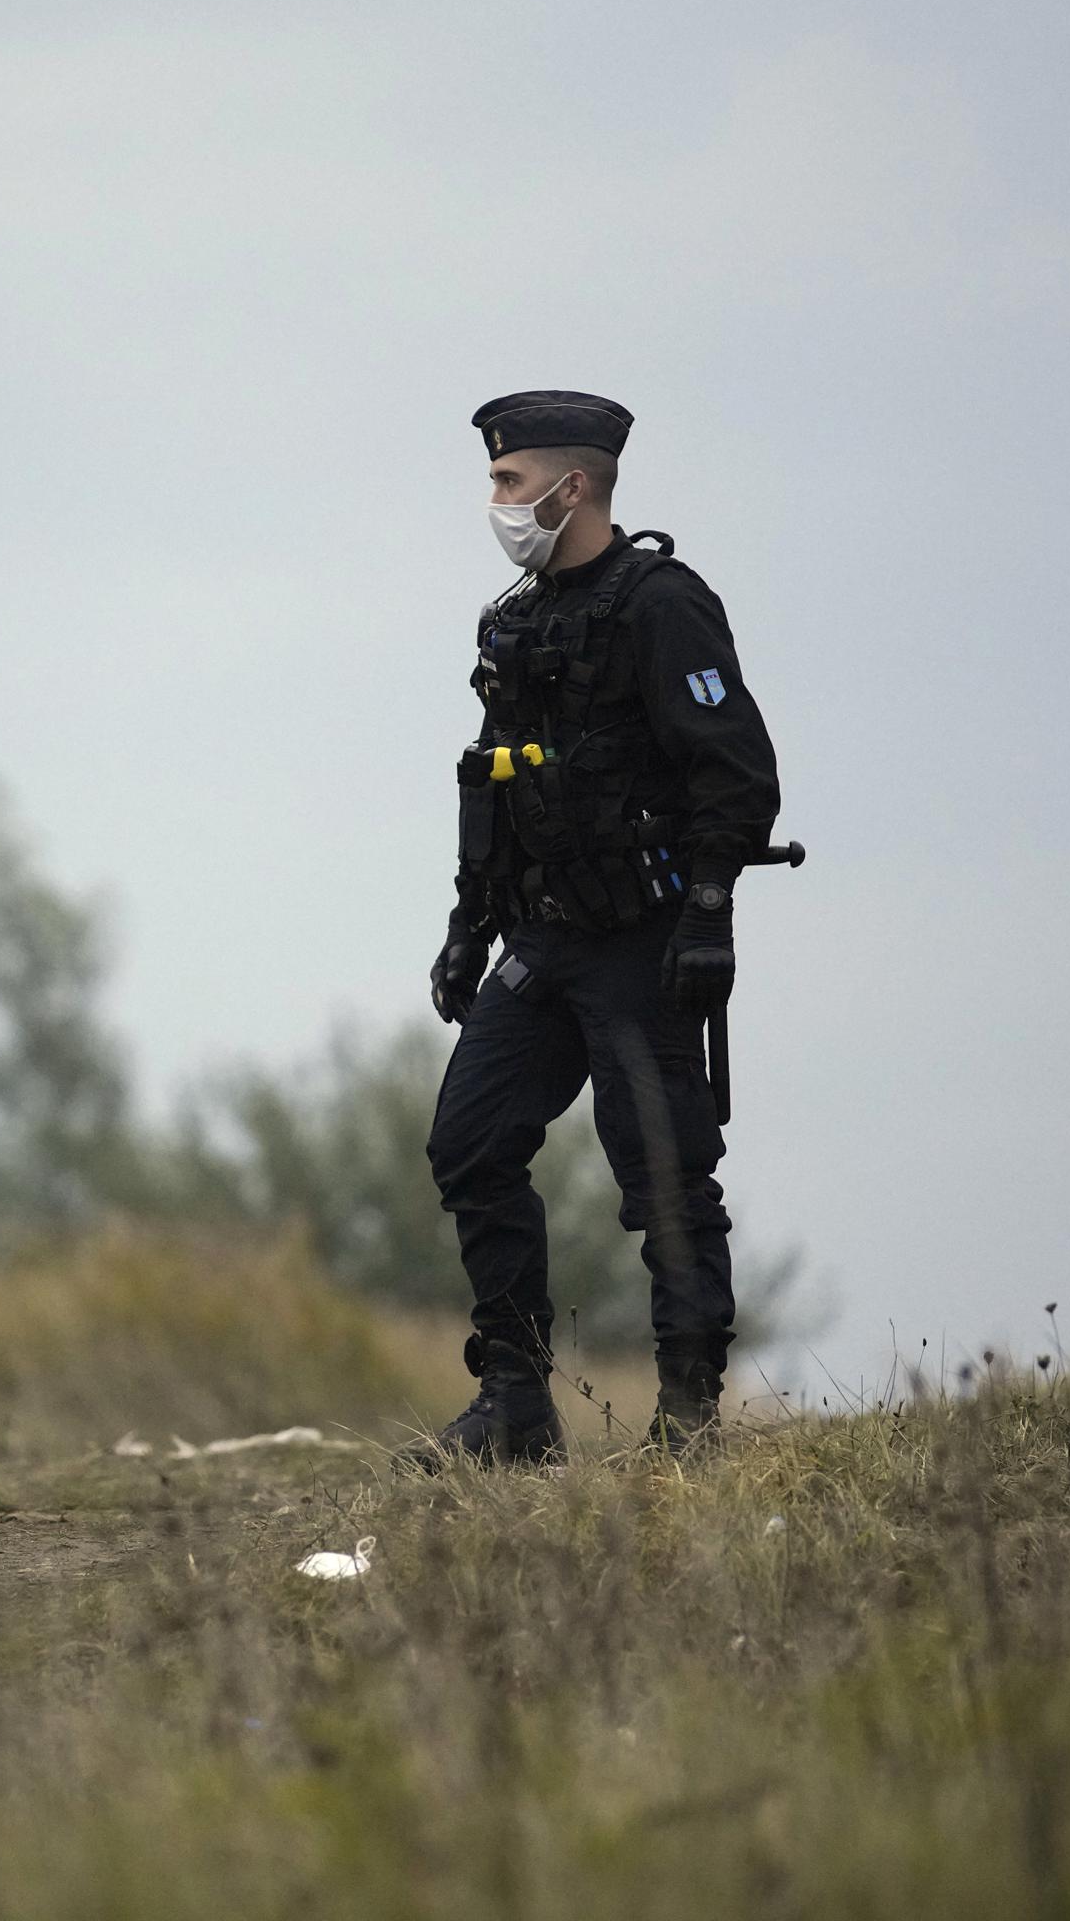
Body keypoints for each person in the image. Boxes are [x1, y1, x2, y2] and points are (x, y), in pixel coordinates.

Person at [417, 391, 782, 1463]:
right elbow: (491, 786)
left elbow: (739, 771)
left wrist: (709, 908)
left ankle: (689, 1413)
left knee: (661, 1174)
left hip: (641, 939)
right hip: (540, 939)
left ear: (572, 486)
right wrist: (466, 925)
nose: (496, 502)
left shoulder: (662, 604)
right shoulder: (515, 620)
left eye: (508, 481)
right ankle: (516, 1406)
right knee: (469, 1143)